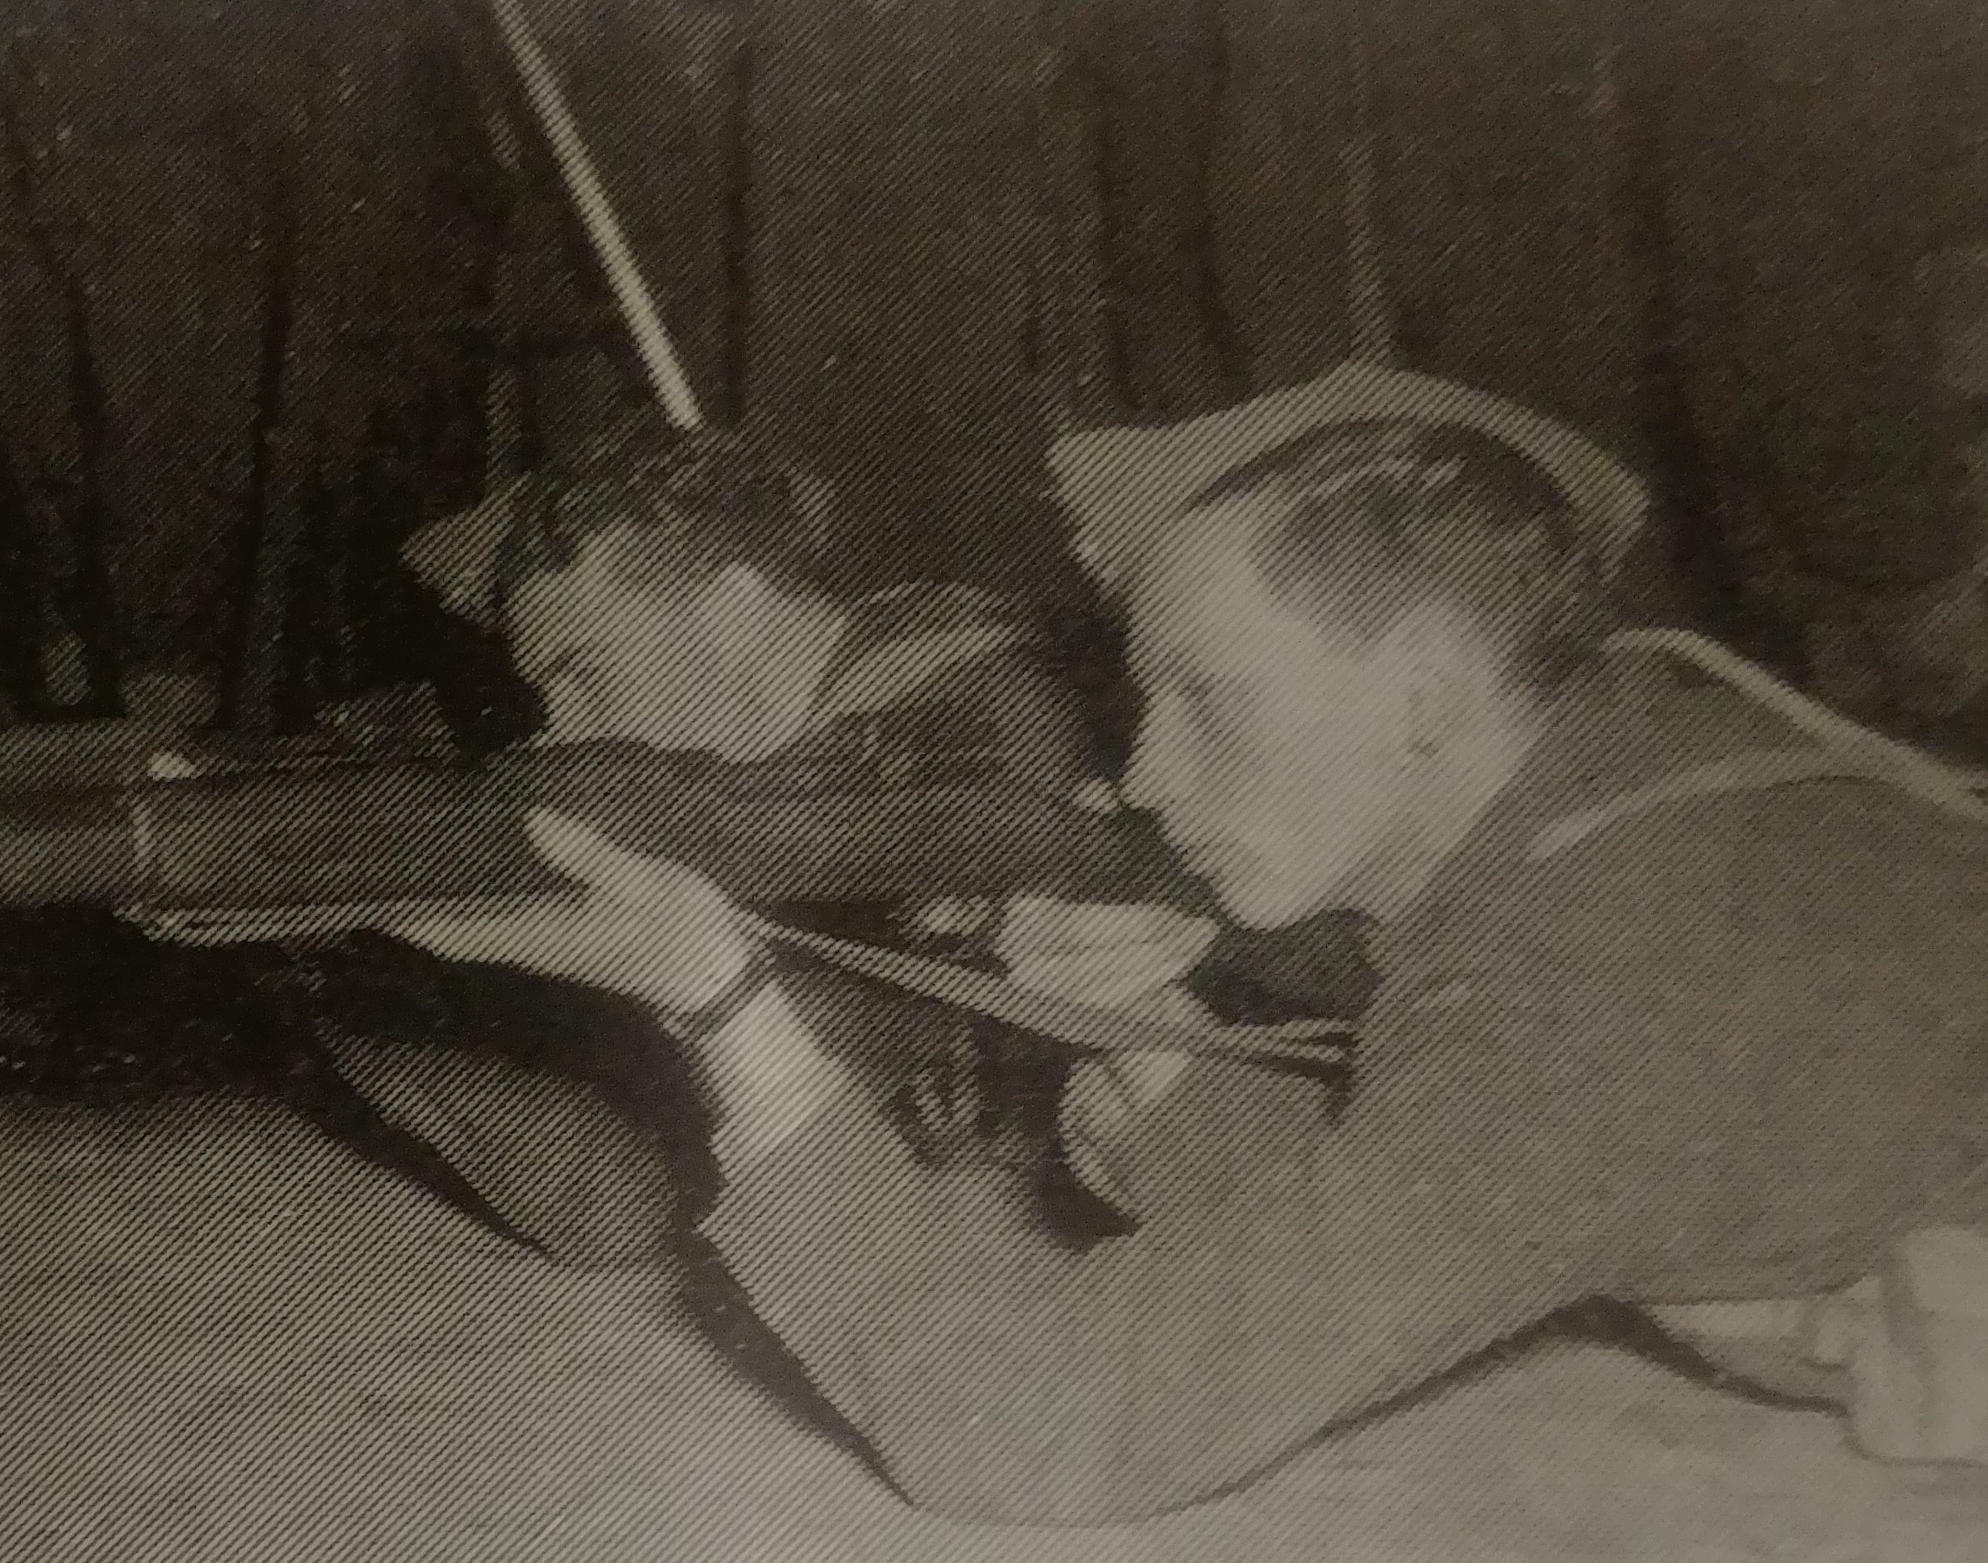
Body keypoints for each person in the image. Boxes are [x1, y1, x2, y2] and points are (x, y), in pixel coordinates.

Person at [396, 360, 1988, 1523]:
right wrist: (1142, 1035)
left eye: (1206, 698)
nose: (1142, 770)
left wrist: (719, 998)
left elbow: (1039, 1425)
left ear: (1428, 685)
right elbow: (1381, 1187)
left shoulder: (1583, 995)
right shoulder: (1610, 742)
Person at [174, 417, 1371, 1266]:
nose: (563, 729)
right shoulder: (842, 704)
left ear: (737, 611)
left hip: (1246, 1098)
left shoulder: (973, 706)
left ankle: (315, 969)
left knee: (608, 1194)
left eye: (586, 673)